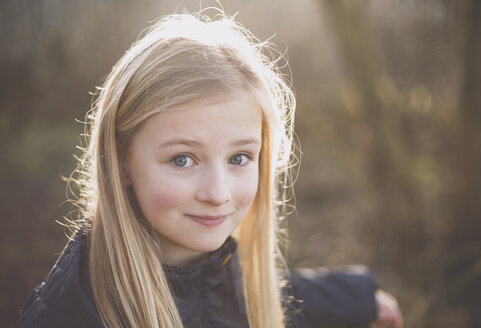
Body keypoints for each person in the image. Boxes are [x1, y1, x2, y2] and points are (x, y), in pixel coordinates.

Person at [20, 8, 402, 328]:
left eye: (239, 158)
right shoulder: (72, 314)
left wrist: (359, 298)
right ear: (121, 161)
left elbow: (229, 289)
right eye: (182, 159)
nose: (218, 193)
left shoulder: (215, 265)